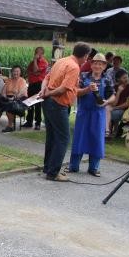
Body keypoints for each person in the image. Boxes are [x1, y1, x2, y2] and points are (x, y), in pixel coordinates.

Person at [39, 42, 92, 182]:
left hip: (48, 102)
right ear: (85, 55)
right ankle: (53, 172)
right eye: (88, 56)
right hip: (58, 104)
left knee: (51, 137)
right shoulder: (74, 67)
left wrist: (44, 90)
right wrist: (48, 94)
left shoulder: (62, 61)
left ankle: (48, 167)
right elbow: (63, 89)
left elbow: (46, 78)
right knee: (63, 138)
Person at [68, 53, 115, 176]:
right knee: (79, 138)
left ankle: (94, 168)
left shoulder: (107, 79)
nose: (97, 66)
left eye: (100, 64)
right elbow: (75, 92)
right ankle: (73, 166)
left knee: (97, 139)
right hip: (83, 112)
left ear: (104, 66)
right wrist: (87, 89)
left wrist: (106, 102)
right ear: (91, 64)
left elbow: (113, 96)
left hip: (98, 113)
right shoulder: (83, 76)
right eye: (95, 63)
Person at [0, 66, 27, 132]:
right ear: (12, 72)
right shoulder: (9, 80)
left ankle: (10, 126)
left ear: (20, 72)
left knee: (10, 105)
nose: (15, 73)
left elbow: (22, 92)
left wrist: (14, 98)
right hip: (8, 97)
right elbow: (3, 91)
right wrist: (5, 97)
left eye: (17, 71)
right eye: (14, 71)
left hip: (18, 98)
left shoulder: (22, 81)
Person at [106, 69, 129, 138]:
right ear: (118, 79)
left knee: (110, 113)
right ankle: (109, 132)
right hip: (116, 108)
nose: (127, 79)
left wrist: (114, 108)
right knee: (107, 111)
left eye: (127, 77)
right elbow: (114, 103)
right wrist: (119, 92)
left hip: (126, 111)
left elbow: (126, 104)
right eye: (124, 78)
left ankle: (110, 132)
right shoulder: (115, 87)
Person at [24, 46, 48, 130]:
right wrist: (34, 72)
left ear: (42, 54)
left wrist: (35, 61)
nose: (36, 54)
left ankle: (37, 123)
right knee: (30, 103)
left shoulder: (44, 62)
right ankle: (29, 121)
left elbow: (35, 70)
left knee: (37, 104)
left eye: (38, 53)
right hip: (32, 84)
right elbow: (29, 70)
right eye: (35, 52)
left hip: (39, 84)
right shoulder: (32, 62)